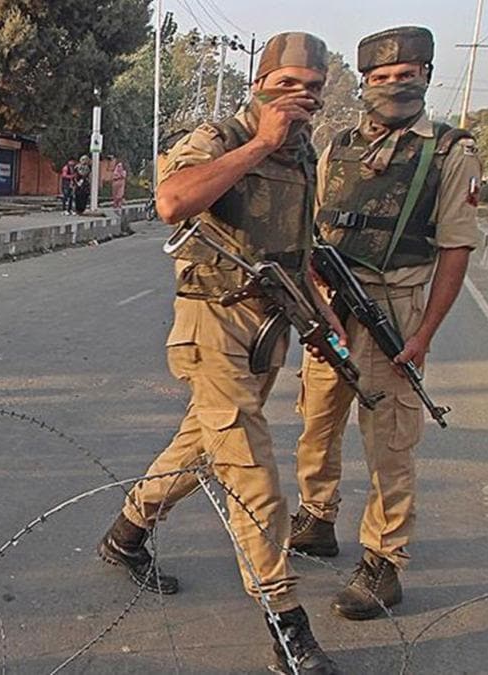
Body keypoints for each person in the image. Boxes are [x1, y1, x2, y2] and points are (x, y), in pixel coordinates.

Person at [95, 32, 339, 674]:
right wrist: (260, 143)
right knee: (251, 466)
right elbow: (172, 202)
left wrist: (320, 310)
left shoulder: (304, 155)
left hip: (269, 324)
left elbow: (298, 243)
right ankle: (287, 624)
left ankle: (127, 533)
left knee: (205, 442)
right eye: (289, 84)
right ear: (260, 84)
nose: (302, 98)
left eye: (313, 88)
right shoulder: (221, 139)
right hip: (213, 324)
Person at [291, 26, 482, 621]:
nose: (395, 86)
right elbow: (313, 231)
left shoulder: (450, 151)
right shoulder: (337, 146)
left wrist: (423, 334)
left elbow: (455, 248)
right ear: (365, 84)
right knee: (316, 420)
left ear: (426, 77)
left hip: (394, 310)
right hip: (331, 310)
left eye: (407, 76)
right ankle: (316, 516)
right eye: (381, 78)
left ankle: (384, 560)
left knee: (390, 443)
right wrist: (317, 293)